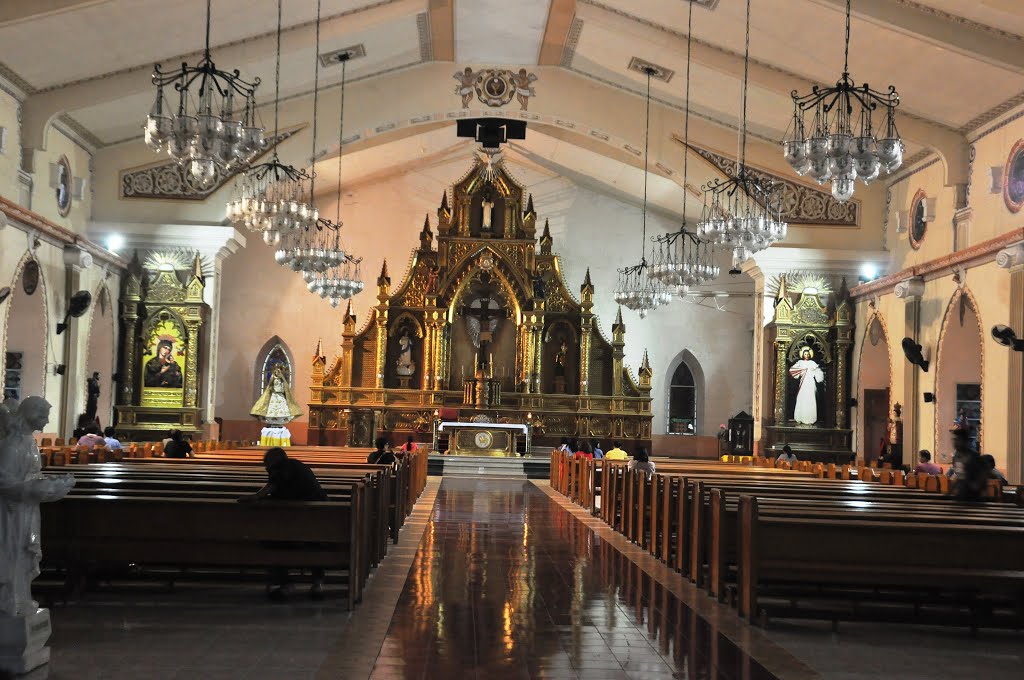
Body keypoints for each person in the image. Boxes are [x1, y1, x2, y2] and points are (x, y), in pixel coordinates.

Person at [237, 448, 329, 600]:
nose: (266, 469)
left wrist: (256, 497)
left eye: (267, 465)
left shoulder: (282, 469)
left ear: (274, 463)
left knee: (274, 541)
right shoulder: (296, 466)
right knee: (309, 543)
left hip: (304, 519)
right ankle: (316, 583)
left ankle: (286, 584)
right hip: (314, 519)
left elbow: (271, 486)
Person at [948, 428, 986, 502]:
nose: (955, 442)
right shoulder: (956, 456)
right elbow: (959, 477)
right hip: (961, 496)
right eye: (954, 440)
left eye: (958, 440)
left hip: (974, 499)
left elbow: (983, 474)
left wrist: (975, 486)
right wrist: (949, 493)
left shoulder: (974, 456)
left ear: (965, 441)